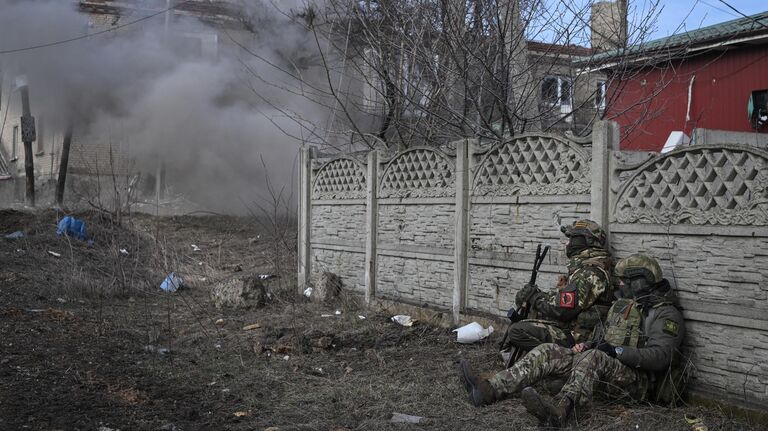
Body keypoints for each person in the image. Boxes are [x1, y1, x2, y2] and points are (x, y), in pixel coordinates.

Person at [460, 253, 685, 428]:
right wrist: (589, 344)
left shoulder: (665, 314)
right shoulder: (626, 305)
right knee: (550, 350)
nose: (620, 285)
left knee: (593, 357)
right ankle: (491, 389)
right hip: (609, 367)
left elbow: (661, 357)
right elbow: (604, 339)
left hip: (639, 383)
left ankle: (561, 412)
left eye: (626, 281)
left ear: (641, 282)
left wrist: (615, 351)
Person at [502, 219, 614, 355]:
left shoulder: (591, 273)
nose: (567, 243)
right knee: (526, 318)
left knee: (517, 331)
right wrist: (537, 297)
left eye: (571, 238)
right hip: (571, 327)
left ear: (585, 241)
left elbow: (563, 309)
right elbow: (564, 301)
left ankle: (558, 358)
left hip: (579, 339)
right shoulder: (585, 268)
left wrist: (534, 297)